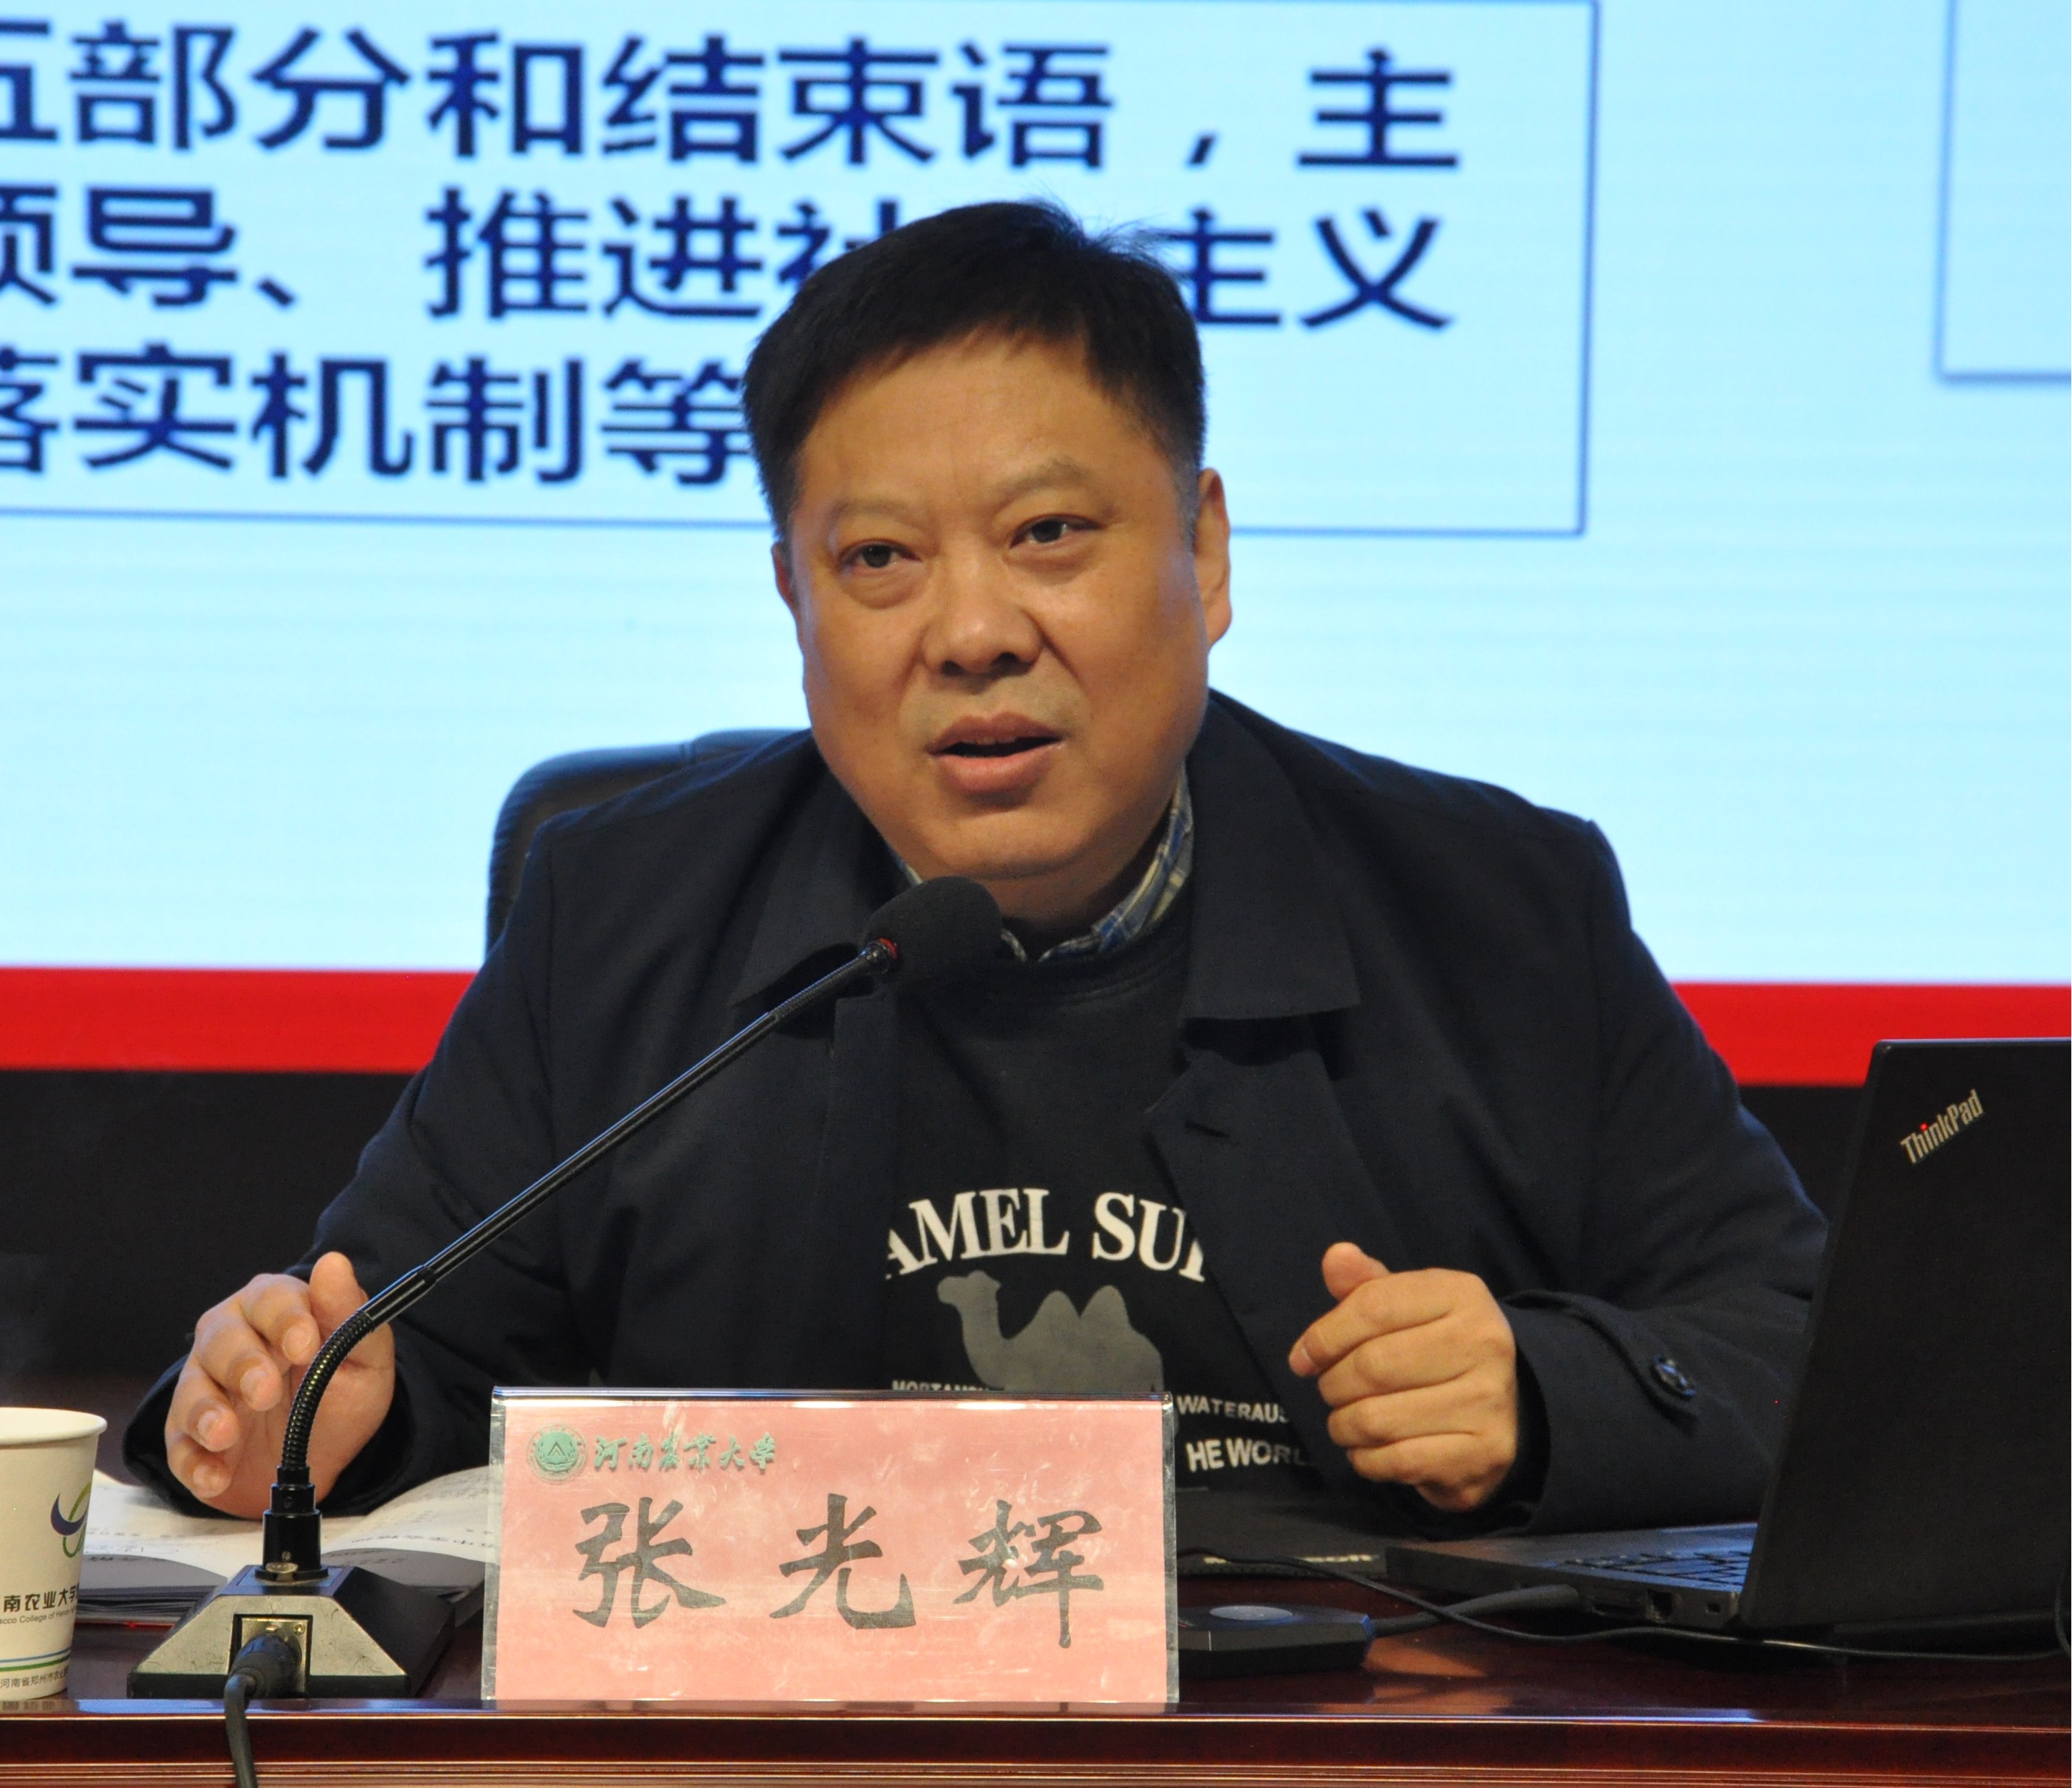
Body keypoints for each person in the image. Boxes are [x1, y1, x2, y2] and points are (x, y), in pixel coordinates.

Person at [126, 201, 1823, 1537]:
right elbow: (390, 1349)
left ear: (1205, 549)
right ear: (793, 601)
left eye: (1047, 535)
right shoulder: (621, 919)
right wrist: (300, 1419)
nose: (970, 632)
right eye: (877, 558)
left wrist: (1539, 1391)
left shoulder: (1496, 913)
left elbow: (1809, 1341)